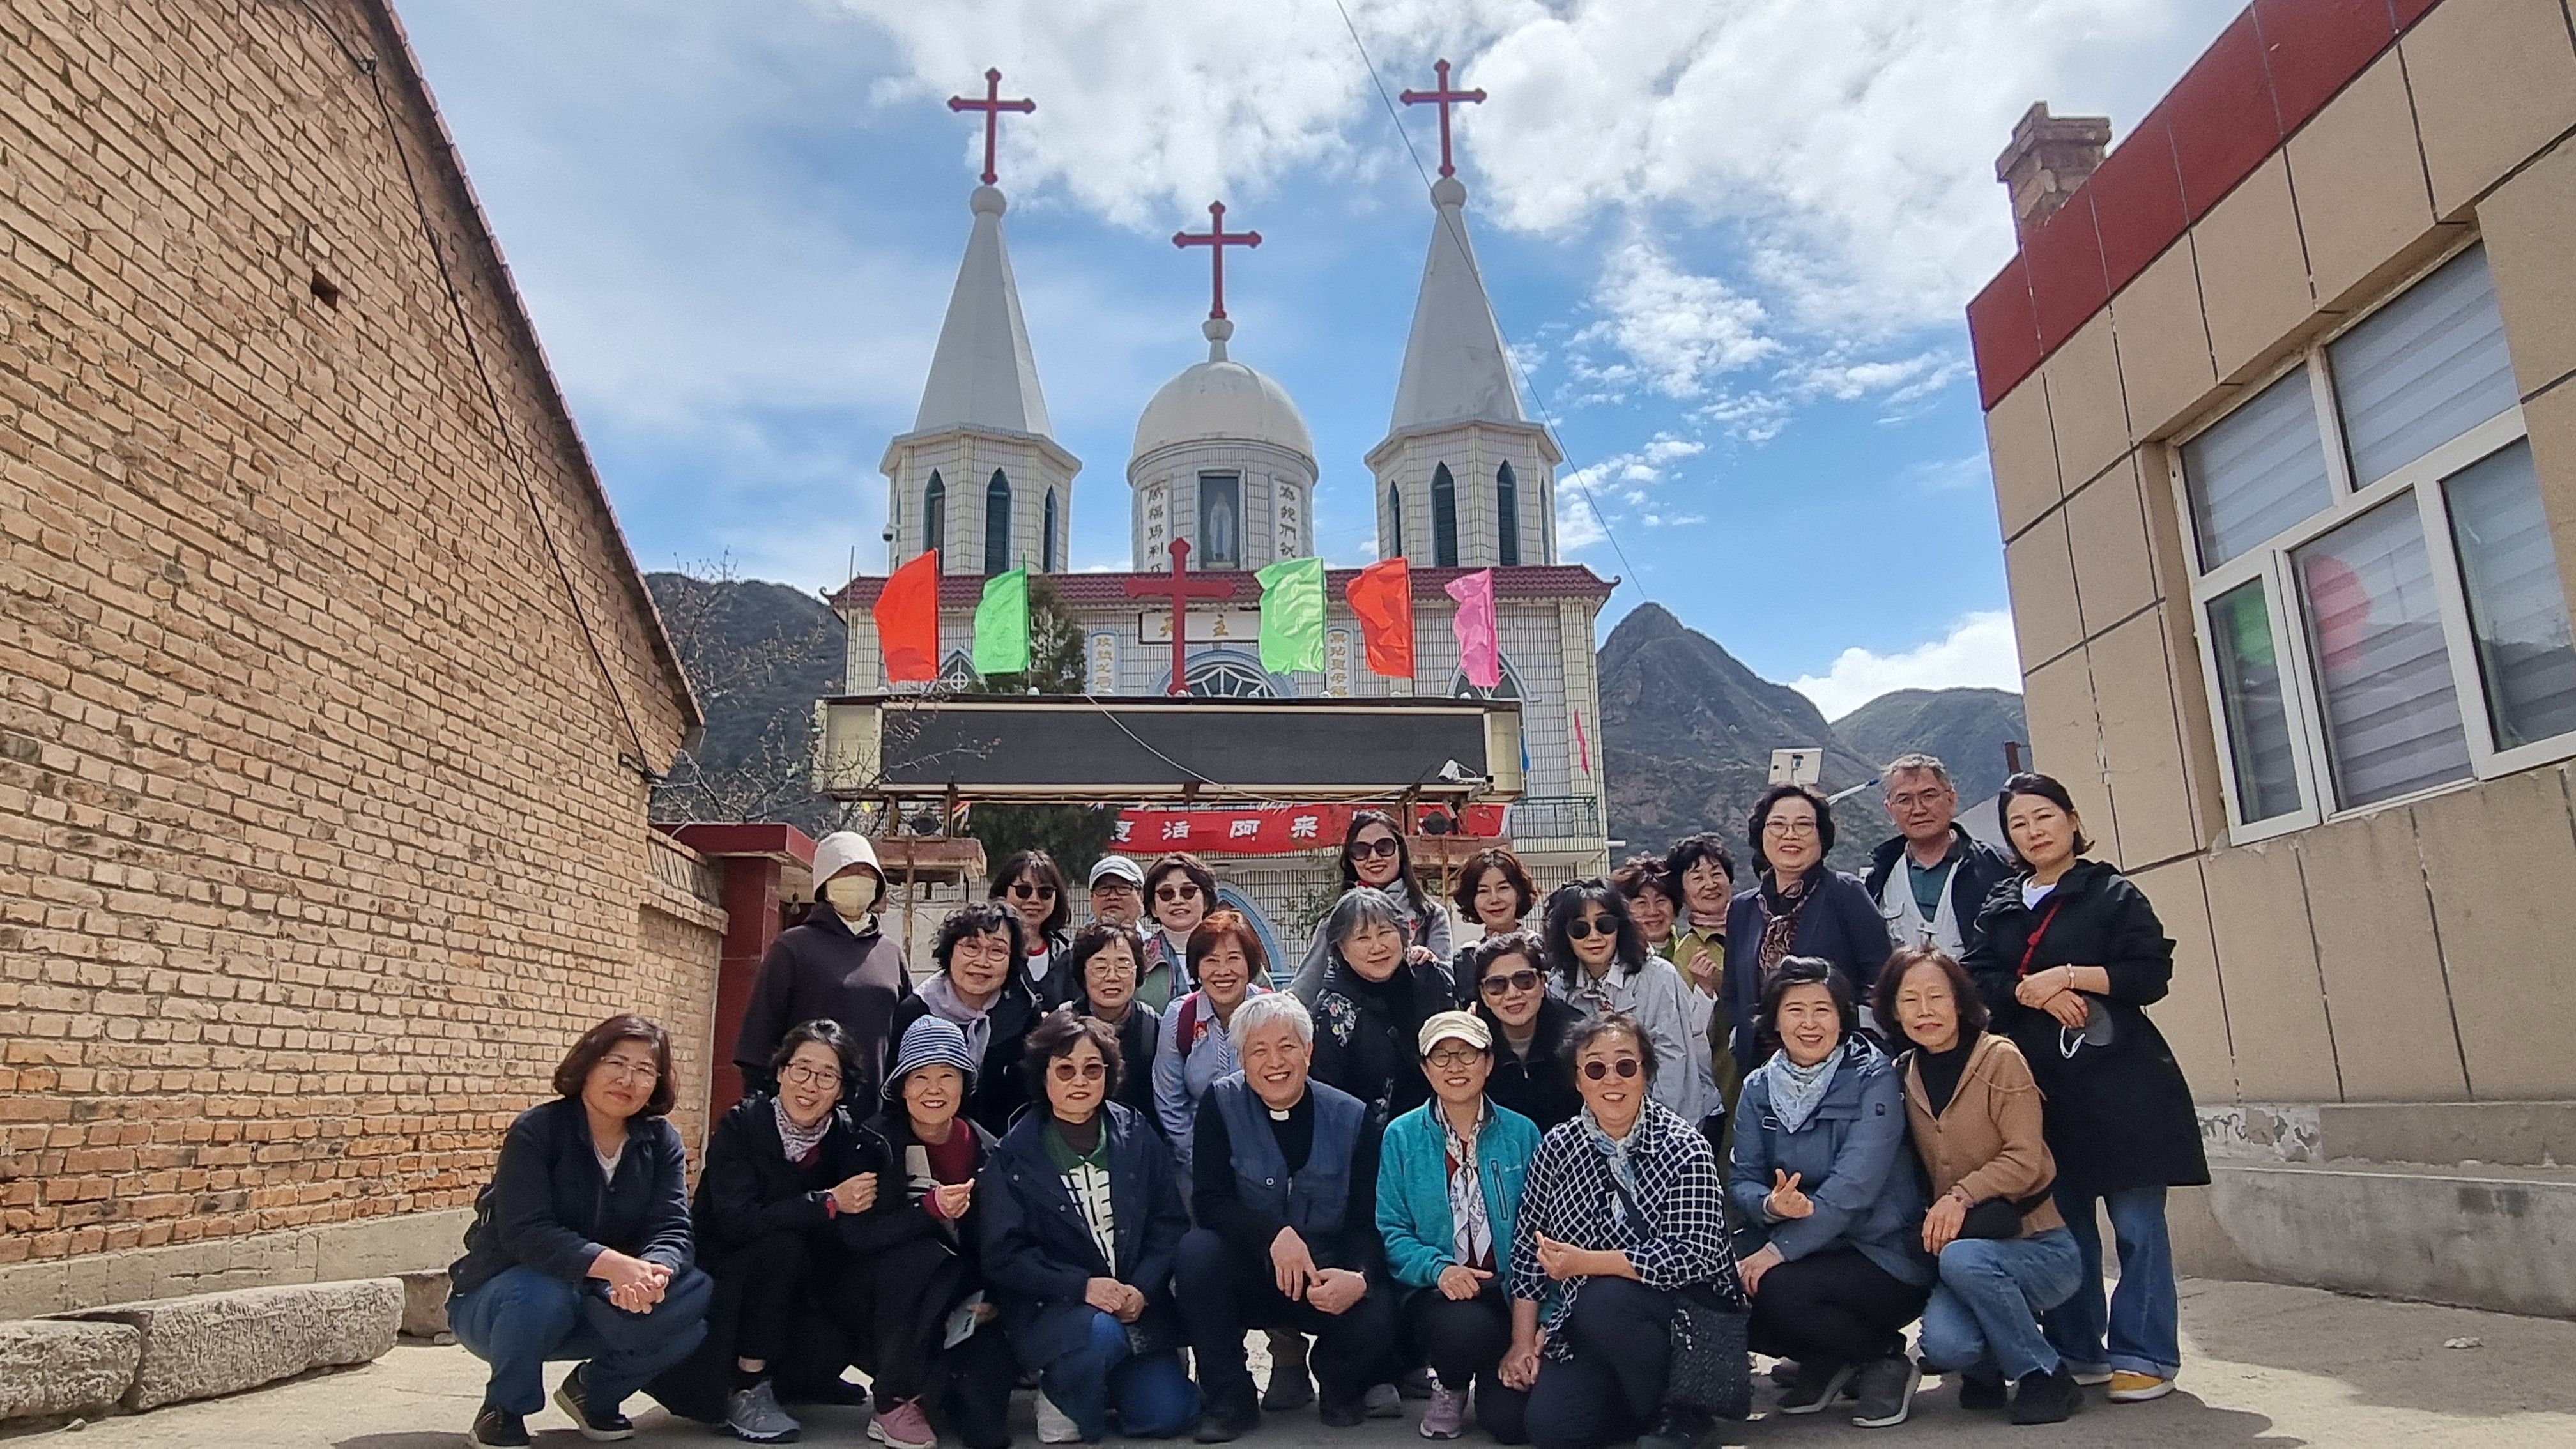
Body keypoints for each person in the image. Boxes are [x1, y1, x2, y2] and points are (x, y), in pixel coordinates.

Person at [1965, 772, 2206, 1406]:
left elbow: (2150, 971)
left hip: (2123, 1083)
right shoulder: (2002, 902)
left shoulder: (2112, 893)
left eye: (2044, 816)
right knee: (2063, 1225)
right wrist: (2031, 993)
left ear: (2072, 820)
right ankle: (2079, 1348)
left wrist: (2071, 976)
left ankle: (2147, 1354)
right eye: (2019, 824)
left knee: (2137, 1225)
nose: (2033, 831)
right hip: (2041, 1092)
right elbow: (1977, 978)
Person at [447, 1016, 712, 1449]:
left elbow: (671, 1225)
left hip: (600, 1299)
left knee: (693, 1300)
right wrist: (613, 1266)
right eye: (616, 1063)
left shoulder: (660, 1139)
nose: (628, 1080)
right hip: (502, 1303)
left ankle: (595, 1392)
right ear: (588, 1065)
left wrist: (653, 1271)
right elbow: (526, 1232)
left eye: (644, 1070)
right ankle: (504, 1409)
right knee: (542, 1291)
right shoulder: (538, 1130)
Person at [1176, 993, 1402, 1439]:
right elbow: (1210, 1201)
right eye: (1258, 1051)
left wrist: (1357, 1276)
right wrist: (1273, 1235)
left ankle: (1338, 1383)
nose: (1275, 1062)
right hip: (1252, 1270)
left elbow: (1366, 1221)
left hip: (1323, 1272)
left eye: (1287, 1047)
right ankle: (1230, 1400)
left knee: (1378, 1308)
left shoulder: (1352, 1117)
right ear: (1242, 1059)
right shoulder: (1220, 1104)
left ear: (1308, 1051)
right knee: (1196, 1254)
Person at [1876, 946, 2084, 1425]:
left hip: (2039, 1245)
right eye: (1910, 1000)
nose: (1924, 1011)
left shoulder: (1999, 1058)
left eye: (1936, 996)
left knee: (1962, 1259)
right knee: (1945, 1345)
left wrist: (1961, 1195)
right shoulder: (1903, 1073)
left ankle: (2045, 1375)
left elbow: (2025, 1158)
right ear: (1894, 1011)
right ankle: (1986, 1365)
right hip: (1966, 1252)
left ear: (1959, 1001)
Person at [1510, 1012, 1736, 1449]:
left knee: (1605, 1297)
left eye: (1626, 1066)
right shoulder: (1556, 1148)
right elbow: (1527, 1250)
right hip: (1590, 1323)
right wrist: (1522, 1343)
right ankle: (1637, 1407)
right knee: (1550, 1429)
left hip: (1683, 1319)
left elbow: (1695, 1255)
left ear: (1645, 1073)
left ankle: (1683, 1412)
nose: (1611, 1079)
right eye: (1595, 1068)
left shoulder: (1685, 1146)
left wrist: (1587, 1264)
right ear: (1578, 1080)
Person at [1729, 958, 1933, 1430]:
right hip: (1804, 1248)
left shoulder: (1873, 1077)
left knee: (1775, 1289)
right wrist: (1770, 1205)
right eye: (1795, 1010)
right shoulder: (1759, 1086)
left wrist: (1778, 1250)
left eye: (1822, 1010)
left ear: (1843, 1017)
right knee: (1717, 1287)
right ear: (1774, 1019)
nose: (1809, 1023)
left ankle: (1883, 1358)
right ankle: (1830, 1357)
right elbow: (1742, 1178)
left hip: (1880, 1252)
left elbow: (1854, 1188)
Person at [981, 1011, 1199, 1444]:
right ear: (1043, 1077)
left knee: (1171, 1415)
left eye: (1092, 1069)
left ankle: (1105, 1388)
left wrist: (1142, 1288)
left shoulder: (1136, 1134)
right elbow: (1004, 1255)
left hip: (1135, 1308)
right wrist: (1081, 1288)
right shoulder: (1013, 1154)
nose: (1079, 1081)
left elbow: (1169, 1223)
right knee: (1099, 1334)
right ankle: (1062, 1393)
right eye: (1065, 1070)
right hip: (1057, 1310)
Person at [659, 1021, 882, 1444]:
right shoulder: (742, 1125)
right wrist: (827, 1202)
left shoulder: (845, 1136)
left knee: (846, 1292)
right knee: (782, 1247)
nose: (810, 1085)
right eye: (801, 1069)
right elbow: (738, 1222)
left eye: (827, 1076)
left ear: (841, 1090)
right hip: (731, 1272)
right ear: (780, 1072)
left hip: (797, 1281)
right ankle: (748, 1385)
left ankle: (805, 1381)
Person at [847, 1016, 1017, 1449]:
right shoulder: (874, 1142)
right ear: (902, 1088)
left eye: (947, 1076)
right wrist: (928, 1210)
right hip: (887, 1299)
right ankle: (892, 1399)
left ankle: (941, 1392)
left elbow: (1005, 1240)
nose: (934, 1090)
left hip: (964, 1299)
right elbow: (857, 1237)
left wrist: (995, 1300)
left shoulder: (990, 1150)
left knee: (986, 1432)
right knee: (923, 1257)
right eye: (920, 1077)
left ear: (964, 1085)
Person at [1376, 1012, 1540, 1441]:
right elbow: (1392, 1229)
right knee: (1464, 1330)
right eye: (1442, 1056)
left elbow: (1544, 1229)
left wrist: (1535, 1327)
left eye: (1467, 1054)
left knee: (1512, 1425)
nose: (1455, 1067)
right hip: (1439, 1295)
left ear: (1489, 1062)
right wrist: (1439, 1269)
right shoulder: (1401, 1136)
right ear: (1425, 1068)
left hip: (1514, 1294)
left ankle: (1496, 1371)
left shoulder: (1523, 1133)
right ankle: (1449, 1384)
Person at [1721, 785, 1892, 1071]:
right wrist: (1741, 1037)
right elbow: (1733, 991)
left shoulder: (1845, 893)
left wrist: (1856, 1037)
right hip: (1763, 1068)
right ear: (1761, 834)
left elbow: (1881, 978)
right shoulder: (1743, 908)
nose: (1790, 835)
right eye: (1778, 825)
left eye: (1803, 825)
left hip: (1838, 1063)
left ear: (1821, 836)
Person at [734, 831, 910, 1102]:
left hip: (875, 1115)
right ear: (825, 883)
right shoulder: (793, 947)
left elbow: (905, 1041)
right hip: (805, 1110)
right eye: (847, 871)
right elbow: (759, 1042)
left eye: (866, 872)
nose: (857, 878)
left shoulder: (891, 954)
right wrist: (764, 1112)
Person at [1542, 882, 1705, 1125]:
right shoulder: (1558, 986)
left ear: (1621, 926)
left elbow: (1674, 1063)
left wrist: (1654, 1131)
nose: (1594, 936)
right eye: (1580, 928)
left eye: (1605, 924)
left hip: (1669, 1122)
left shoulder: (1659, 977)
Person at [1303, 887, 1459, 1126]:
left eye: (1385, 932)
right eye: (1362, 938)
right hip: (1364, 1138)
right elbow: (1326, 1098)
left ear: (1404, 935)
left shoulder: (1431, 982)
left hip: (1438, 1130)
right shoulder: (1332, 1013)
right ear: (1342, 948)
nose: (1377, 947)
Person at [892, 903, 1043, 1138]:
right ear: (950, 951)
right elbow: (894, 1095)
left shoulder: (1023, 1010)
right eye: (971, 947)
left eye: (997, 951)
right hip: (926, 1143)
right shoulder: (917, 1011)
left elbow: (1033, 1093)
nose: (982, 961)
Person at [1151, 910, 1271, 1172]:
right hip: (1195, 1161)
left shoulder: (1272, 1014)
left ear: (1250, 964)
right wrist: (1200, 1160)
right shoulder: (1180, 1016)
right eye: (1211, 960)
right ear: (1197, 968)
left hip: (1267, 1159)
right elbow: (1170, 1101)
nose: (1223, 971)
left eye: (1234, 958)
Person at [1864, 755, 2016, 960]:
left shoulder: (1999, 868)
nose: (1918, 809)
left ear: (1951, 800)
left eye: (1928, 796)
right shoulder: (1878, 880)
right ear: (1890, 810)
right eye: (1905, 800)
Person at [1290, 811, 1453, 999]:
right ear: (1351, 859)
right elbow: (1304, 990)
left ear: (1400, 851)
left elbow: (1448, 984)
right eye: (1361, 851)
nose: (1374, 857)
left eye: (1384, 847)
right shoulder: (1335, 920)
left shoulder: (1430, 914)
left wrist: (1430, 963)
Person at [1465, 933, 1583, 1132]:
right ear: (1483, 995)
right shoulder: (1471, 1043)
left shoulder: (1576, 1035)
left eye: (1524, 980)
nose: (1512, 994)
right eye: (1497, 985)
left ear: (1542, 982)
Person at [1071, 921, 1162, 1126]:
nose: (1112, 977)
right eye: (1100, 967)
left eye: (1123, 966)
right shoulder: (1063, 1026)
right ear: (1082, 972)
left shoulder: (1155, 1028)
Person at [995, 848, 1078, 1006]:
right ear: (1004, 891)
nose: (1034, 900)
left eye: (1045, 892)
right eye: (1023, 890)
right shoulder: (987, 952)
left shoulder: (1070, 957)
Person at [1139, 854, 1217, 1012]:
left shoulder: (1234, 947)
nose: (1177, 900)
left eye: (1188, 891)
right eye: (1166, 893)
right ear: (1153, 908)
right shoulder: (1139, 958)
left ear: (1206, 901)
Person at [1448, 847, 1537, 973]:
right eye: (1483, 891)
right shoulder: (1465, 960)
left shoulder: (1542, 951)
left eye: (1503, 888)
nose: (1494, 899)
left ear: (1519, 893)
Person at [1613, 854, 1680, 959]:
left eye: (1661, 901)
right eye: (1641, 903)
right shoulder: (1614, 959)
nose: (1653, 911)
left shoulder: (1692, 951)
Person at [1089, 855, 1147, 928]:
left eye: (1123, 888)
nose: (1112, 897)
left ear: (1141, 896)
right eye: (1104, 889)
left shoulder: (1155, 936)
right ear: (1091, 897)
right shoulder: (1081, 936)